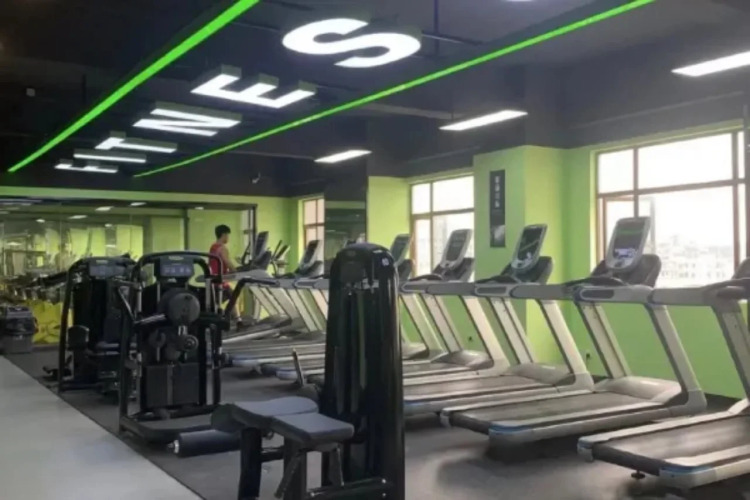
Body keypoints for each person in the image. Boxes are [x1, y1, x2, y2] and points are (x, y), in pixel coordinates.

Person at [209, 225, 243, 329]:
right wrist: (235, 271)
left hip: (214, 280)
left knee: (231, 297)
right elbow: (227, 261)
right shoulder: (222, 248)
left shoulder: (213, 247)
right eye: (228, 235)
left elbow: (214, 264)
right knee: (234, 296)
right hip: (220, 282)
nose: (228, 238)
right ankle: (237, 321)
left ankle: (235, 320)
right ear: (224, 235)